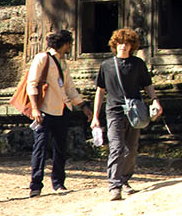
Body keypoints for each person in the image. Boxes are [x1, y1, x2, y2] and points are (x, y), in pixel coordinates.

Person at [92, 27, 161, 201]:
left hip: (134, 111)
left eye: (127, 43)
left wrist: (155, 100)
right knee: (116, 147)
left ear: (132, 46)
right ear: (115, 45)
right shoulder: (106, 66)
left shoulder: (138, 64)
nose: (123, 46)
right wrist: (94, 116)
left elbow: (147, 85)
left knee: (131, 149)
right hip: (114, 111)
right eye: (120, 43)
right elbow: (100, 91)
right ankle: (114, 185)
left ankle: (124, 180)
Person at [25, 29, 80, 196]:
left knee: (60, 148)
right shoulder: (43, 58)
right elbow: (32, 83)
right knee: (40, 147)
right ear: (65, 44)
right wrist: (35, 108)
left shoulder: (63, 63)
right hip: (45, 110)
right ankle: (36, 185)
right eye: (70, 43)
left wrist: (83, 106)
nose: (71, 47)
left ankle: (58, 182)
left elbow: (69, 88)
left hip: (62, 109)